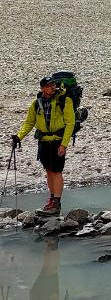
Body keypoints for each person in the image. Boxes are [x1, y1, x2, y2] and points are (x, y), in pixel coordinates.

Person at [11, 77, 75, 215]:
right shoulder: (36, 103)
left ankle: (56, 204)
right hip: (44, 141)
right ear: (42, 88)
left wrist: (64, 144)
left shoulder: (64, 101)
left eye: (53, 85)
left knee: (57, 171)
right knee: (48, 170)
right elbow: (29, 123)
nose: (53, 88)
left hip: (58, 140)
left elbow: (70, 123)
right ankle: (51, 200)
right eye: (49, 86)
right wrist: (18, 137)